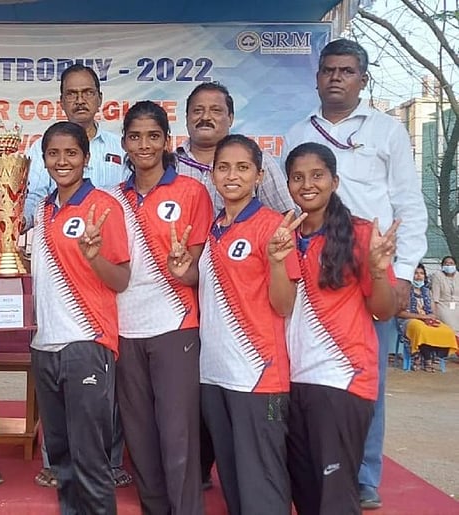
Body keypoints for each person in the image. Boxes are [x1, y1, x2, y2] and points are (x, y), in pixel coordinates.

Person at [283, 38, 426, 510]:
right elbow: (288, 204)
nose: (336, 78)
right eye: (328, 70)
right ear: (318, 77)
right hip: (313, 268)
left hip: (370, 265)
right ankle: (311, 469)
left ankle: (363, 475)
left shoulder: (387, 131)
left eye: (347, 71)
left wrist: (400, 269)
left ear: (363, 79)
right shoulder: (296, 132)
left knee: (365, 377)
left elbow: (408, 203)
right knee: (310, 373)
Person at [24, 63, 132, 489]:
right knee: (66, 446)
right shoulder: (43, 208)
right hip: (49, 333)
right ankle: (64, 474)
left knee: (93, 445)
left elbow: (119, 275)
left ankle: (106, 471)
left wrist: (93, 256)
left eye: (71, 154)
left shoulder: (108, 197)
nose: (62, 160)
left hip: (92, 329)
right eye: (54, 154)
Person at [183, 134, 303, 515]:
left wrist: (280, 262)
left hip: (258, 376)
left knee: (261, 484)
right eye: (223, 167)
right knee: (233, 481)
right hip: (214, 374)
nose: (231, 175)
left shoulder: (273, 227)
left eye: (242, 167)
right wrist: (182, 271)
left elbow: (284, 305)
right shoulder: (215, 228)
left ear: (259, 175)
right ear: (212, 174)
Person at [283, 142, 398, 515]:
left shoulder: (361, 235)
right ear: (287, 185)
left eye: (317, 175)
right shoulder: (285, 235)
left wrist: (378, 272)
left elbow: (383, 310)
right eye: (298, 177)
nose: (307, 185)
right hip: (294, 381)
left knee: (335, 499)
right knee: (305, 493)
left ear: (334, 180)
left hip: (341, 381)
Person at [109, 101, 212, 514]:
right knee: (140, 433)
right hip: (124, 328)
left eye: (153, 136)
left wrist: (184, 270)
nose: (145, 144)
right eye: (136, 136)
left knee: (178, 433)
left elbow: (197, 271)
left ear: (167, 141)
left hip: (175, 325)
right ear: (125, 144)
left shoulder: (192, 192)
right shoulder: (112, 198)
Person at [176, 81, 294, 214]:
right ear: (186, 118)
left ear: (230, 118)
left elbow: (286, 218)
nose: (205, 117)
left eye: (216, 111)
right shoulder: (169, 163)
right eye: (197, 111)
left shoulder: (259, 160)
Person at [398, 264, 458, 371]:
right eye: (416, 273)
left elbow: (433, 312)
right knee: (420, 328)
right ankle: (426, 359)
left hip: (426, 320)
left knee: (446, 330)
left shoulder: (427, 292)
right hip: (408, 321)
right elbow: (400, 313)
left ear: (425, 276)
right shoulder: (404, 291)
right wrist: (422, 317)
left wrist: (430, 318)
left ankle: (436, 355)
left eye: (421, 273)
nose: (418, 276)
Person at [429, 256, 459, 331]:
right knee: (450, 325)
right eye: (446, 263)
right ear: (442, 266)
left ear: (455, 265)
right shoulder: (437, 276)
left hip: (457, 304)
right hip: (443, 305)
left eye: (451, 263)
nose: (448, 265)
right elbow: (435, 298)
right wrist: (434, 313)